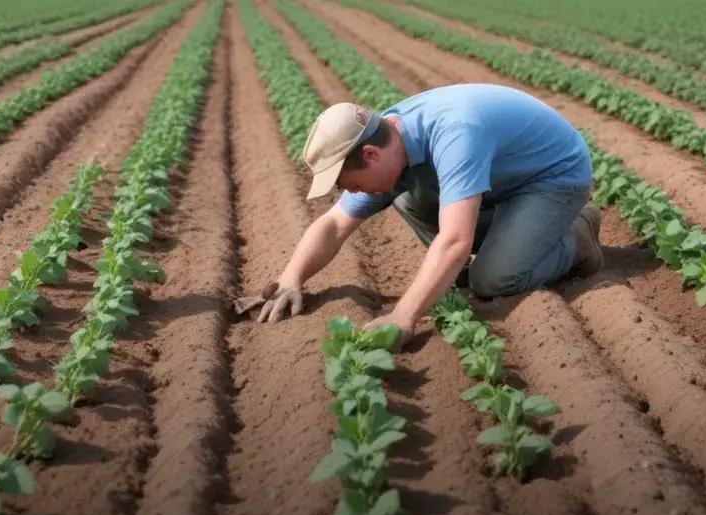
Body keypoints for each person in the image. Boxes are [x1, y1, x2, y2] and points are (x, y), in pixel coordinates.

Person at [234, 83, 602, 351]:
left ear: (371, 156)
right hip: (501, 181)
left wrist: (403, 316)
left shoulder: (454, 134)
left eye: (350, 183)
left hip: (551, 178)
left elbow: (456, 239)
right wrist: (291, 278)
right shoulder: (390, 141)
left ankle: (577, 236)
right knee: (406, 197)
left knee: (493, 279)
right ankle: (470, 264)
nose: (354, 192)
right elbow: (334, 223)